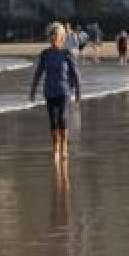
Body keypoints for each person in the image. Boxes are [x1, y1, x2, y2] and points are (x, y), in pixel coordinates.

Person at [29, 21, 82, 159]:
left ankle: (63, 145)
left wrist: (78, 93)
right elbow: (38, 73)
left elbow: (76, 74)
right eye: (51, 35)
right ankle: (55, 148)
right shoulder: (45, 54)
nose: (53, 37)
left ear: (61, 37)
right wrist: (33, 90)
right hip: (49, 92)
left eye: (56, 35)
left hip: (64, 92)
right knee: (53, 121)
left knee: (62, 119)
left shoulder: (67, 54)